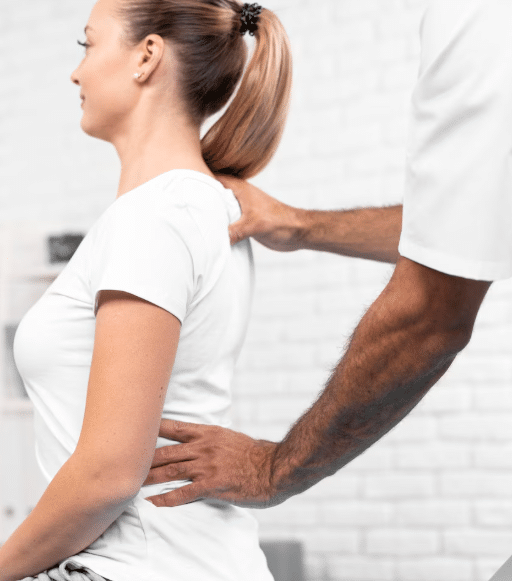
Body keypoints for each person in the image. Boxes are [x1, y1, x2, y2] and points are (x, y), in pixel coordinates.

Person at [141, 2, 512, 578]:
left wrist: (273, 469)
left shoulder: (481, 19)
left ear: (147, 58)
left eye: (88, 44)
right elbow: (468, 225)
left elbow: (429, 315)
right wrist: (301, 226)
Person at [0, 1, 292, 580]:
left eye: (88, 44)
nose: (76, 72)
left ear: (147, 56)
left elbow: (108, 475)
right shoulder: (198, 206)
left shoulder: (156, 215)